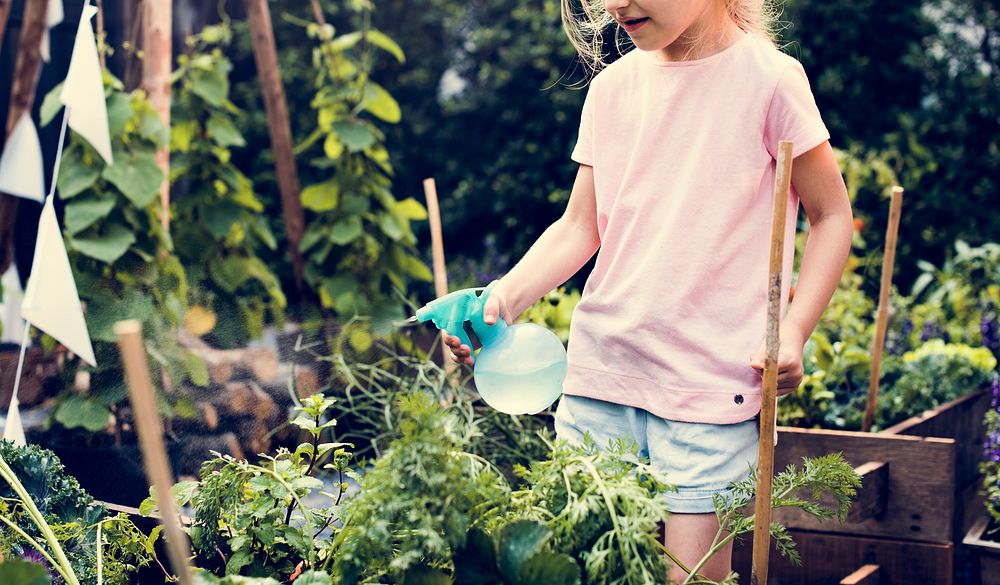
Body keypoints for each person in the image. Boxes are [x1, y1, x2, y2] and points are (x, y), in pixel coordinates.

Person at [443, 0, 854, 581]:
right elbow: (581, 227)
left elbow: (832, 215)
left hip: (709, 392)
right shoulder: (611, 90)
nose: (616, 3)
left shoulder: (770, 82)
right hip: (600, 381)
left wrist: (794, 330)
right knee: (588, 572)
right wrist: (500, 302)